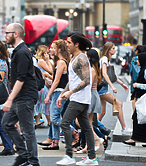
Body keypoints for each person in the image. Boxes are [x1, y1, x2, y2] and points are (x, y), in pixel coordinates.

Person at [56, 32, 98, 165]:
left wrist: (70, 93)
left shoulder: (82, 58)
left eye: (69, 42)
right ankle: (92, 158)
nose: (66, 45)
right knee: (86, 127)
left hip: (79, 98)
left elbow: (86, 80)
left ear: (77, 44)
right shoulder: (75, 57)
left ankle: (69, 156)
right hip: (77, 97)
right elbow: (74, 79)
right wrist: (64, 92)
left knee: (64, 123)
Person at [1, 23, 39, 166]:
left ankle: (33, 161)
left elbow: (21, 78)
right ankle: (23, 154)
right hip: (19, 97)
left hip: (25, 96)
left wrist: (9, 99)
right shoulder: (18, 51)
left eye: (7, 33)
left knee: (27, 130)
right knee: (6, 123)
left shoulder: (22, 52)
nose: (5, 35)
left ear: (15, 34)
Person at [97, 42, 131, 134]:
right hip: (102, 89)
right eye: (113, 48)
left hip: (102, 88)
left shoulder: (107, 60)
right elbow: (104, 74)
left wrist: (122, 84)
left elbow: (112, 76)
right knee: (119, 104)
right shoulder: (104, 59)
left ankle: (93, 129)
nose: (115, 50)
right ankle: (124, 128)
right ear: (108, 50)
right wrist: (112, 86)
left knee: (102, 112)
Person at [43, 40, 71, 151]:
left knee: (54, 117)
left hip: (58, 92)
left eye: (53, 48)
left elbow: (56, 81)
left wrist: (48, 95)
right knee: (56, 116)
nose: (50, 49)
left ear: (59, 50)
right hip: (60, 92)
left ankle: (72, 131)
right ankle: (55, 142)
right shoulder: (60, 61)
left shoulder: (61, 62)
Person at [123, 53, 146, 147]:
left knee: (144, 118)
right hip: (142, 99)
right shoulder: (144, 69)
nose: (137, 61)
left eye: (139, 59)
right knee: (140, 118)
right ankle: (135, 139)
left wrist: (137, 85)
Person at [34, 45, 53, 128]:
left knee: (39, 103)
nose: (48, 54)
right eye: (47, 52)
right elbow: (51, 71)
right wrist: (48, 60)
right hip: (43, 85)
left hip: (40, 85)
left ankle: (38, 121)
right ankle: (49, 121)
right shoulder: (41, 61)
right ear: (43, 53)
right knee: (45, 103)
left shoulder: (37, 60)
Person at [130, 45, 146, 111]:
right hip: (144, 80)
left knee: (135, 98)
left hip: (135, 81)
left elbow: (131, 70)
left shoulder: (134, 59)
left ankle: (135, 114)